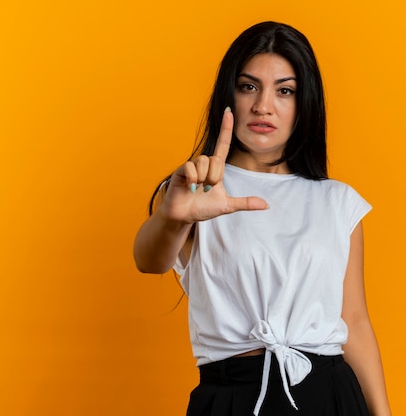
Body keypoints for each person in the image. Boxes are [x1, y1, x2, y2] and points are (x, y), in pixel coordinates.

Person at [134, 21, 391, 416]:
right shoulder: (197, 187)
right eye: (248, 86)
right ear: (229, 95)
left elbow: (354, 322)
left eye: (284, 90)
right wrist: (174, 217)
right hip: (233, 397)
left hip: (330, 395)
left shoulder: (338, 201)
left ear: (305, 104)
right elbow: (148, 261)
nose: (263, 106)